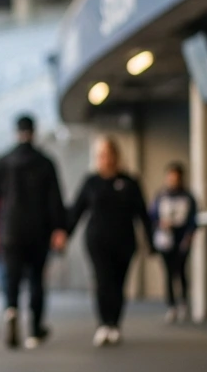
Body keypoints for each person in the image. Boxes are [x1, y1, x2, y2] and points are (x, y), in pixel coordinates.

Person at [0, 115, 67, 349]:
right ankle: (35, 331)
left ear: (16, 132)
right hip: (39, 230)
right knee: (37, 279)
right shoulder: (46, 162)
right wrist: (60, 228)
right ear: (34, 131)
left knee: (12, 276)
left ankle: (11, 312)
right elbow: (55, 199)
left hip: (10, 229)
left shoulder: (4, 161)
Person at [66, 136, 154, 347]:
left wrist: (151, 242)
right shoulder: (91, 182)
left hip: (124, 241)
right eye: (101, 155)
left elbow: (143, 214)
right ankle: (103, 324)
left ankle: (115, 323)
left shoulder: (130, 182)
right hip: (97, 241)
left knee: (118, 283)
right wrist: (63, 234)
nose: (105, 159)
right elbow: (76, 211)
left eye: (108, 154)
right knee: (102, 281)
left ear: (116, 156)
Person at [149, 162, 198, 324]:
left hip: (181, 240)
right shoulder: (160, 196)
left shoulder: (188, 197)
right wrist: (160, 224)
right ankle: (171, 306)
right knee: (168, 273)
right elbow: (152, 217)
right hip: (165, 239)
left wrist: (189, 236)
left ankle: (183, 302)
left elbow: (193, 220)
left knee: (181, 271)